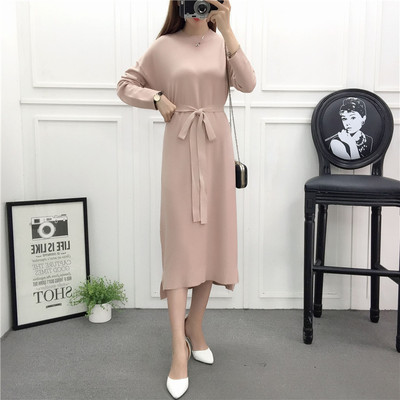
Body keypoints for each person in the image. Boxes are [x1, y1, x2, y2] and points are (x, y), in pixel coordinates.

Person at [117, 1, 256, 398]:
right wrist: (156, 97)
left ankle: (195, 325)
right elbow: (125, 85)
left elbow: (247, 84)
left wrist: (227, 29)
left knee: (210, 242)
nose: (196, 5)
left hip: (216, 147)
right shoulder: (164, 46)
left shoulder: (222, 42)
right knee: (180, 247)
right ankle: (179, 348)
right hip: (180, 149)